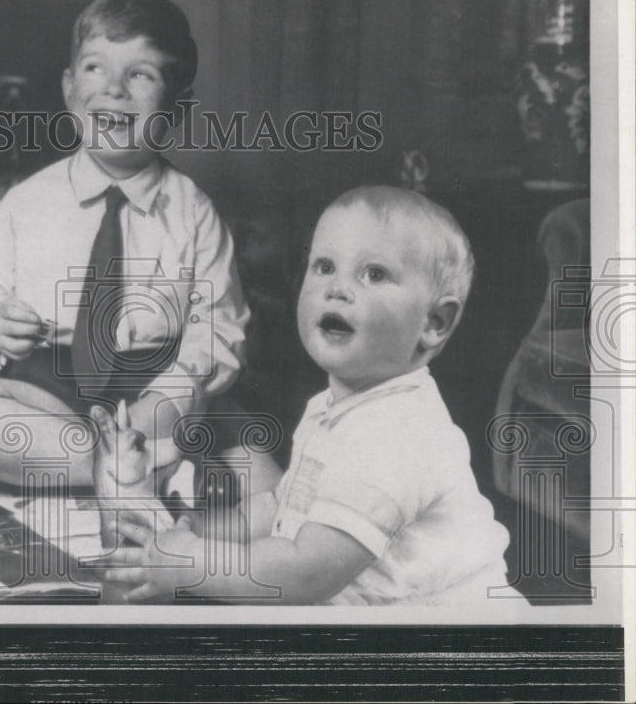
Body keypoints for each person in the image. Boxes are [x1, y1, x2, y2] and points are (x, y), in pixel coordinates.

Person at [106, 186, 515, 605]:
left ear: (434, 322)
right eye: (323, 266)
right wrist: (198, 528)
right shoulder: (334, 409)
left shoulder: (398, 436)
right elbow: (280, 511)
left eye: (373, 274)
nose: (336, 288)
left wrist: (192, 564)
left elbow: (303, 574)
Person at [0, 0, 250, 489]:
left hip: (151, 398)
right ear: (70, 89)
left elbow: (221, 331)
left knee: (210, 418)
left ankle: (125, 462)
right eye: (96, 68)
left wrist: (170, 395)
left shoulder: (194, 211)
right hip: (51, 397)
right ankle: (125, 472)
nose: (114, 89)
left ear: (176, 109)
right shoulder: (24, 203)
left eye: (141, 74)